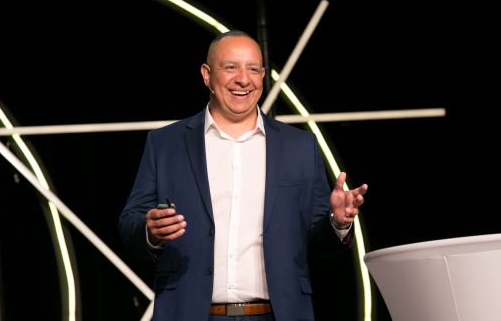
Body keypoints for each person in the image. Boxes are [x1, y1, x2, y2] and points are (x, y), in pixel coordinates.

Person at [118, 30, 368, 321]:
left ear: (263, 75)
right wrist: (150, 231)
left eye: (253, 68)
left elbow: (319, 242)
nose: (243, 79)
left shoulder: (299, 147)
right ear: (207, 75)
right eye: (230, 67)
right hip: (189, 313)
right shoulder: (165, 144)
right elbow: (129, 224)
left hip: (276, 314)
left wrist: (337, 223)